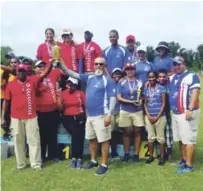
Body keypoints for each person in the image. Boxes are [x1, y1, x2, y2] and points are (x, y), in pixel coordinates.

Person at [59, 57, 116, 176]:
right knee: (92, 138)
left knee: (104, 140)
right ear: (93, 65)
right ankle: (94, 160)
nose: (98, 66)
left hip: (101, 115)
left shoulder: (108, 80)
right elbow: (71, 73)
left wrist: (109, 114)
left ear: (105, 66)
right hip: (89, 115)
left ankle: (104, 164)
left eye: (101, 64)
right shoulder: (89, 77)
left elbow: (112, 98)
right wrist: (61, 63)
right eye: (96, 64)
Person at [1, 61, 52, 170]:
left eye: (23, 71)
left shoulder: (32, 80)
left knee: (34, 140)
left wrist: (51, 63)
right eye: (19, 71)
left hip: (31, 117)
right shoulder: (11, 84)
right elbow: (6, 101)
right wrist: (2, 118)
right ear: (16, 72)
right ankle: (21, 164)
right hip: (15, 118)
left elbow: (44, 74)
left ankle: (36, 164)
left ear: (26, 72)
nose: (21, 73)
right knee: (18, 141)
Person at [169, 56, 200, 174]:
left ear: (184, 64)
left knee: (189, 139)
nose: (176, 66)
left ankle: (189, 165)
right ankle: (184, 159)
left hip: (187, 112)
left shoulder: (191, 75)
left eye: (178, 64)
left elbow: (195, 92)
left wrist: (190, 108)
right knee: (181, 138)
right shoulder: (173, 77)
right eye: (174, 64)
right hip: (176, 113)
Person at [35, 60, 62, 165]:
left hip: (53, 110)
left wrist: (57, 57)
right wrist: (50, 62)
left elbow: (61, 70)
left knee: (52, 134)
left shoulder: (52, 75)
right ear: (35, 68)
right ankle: (41, 157)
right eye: (39, 66)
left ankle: (52, 155)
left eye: (43, 65)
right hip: (41, 112)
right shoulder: (34, 79)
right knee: (42, 135)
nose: (42, 67)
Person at [117, 63, 144, 162]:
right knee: (126, 133)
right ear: (125, 70)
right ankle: (126, 154)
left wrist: (142, 99)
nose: (130, 71)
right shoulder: (122, 82)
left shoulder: (140, 82)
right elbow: (119, 97)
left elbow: (143, 95)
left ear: (135, 70)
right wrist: (131, 102)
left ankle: (136, 155)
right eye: (128, 69)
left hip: (137, 110)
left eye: (132, 69)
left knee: (137, 132)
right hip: (125, 110)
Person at [61, 77, 86, 169]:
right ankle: (76, 157)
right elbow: (60, 108)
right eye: (67, 84)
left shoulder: (80, 93)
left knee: (80, 134)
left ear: (75, 85)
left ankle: (77, 158)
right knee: (76, 134)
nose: (69, 86)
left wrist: (85, 116)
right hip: (67, 117)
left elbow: (85, 105)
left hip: (80, 115)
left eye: (71, 84)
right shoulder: (62, 93)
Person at [143, 71, 167, 165]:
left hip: (160, 116)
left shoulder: (162, 88)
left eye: (153, 77)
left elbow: (164, 103)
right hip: (149, 116)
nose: (151, 79)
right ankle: (151, 156)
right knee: (150, 137)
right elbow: (145, 103)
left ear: (156, 78)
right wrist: (148, 115)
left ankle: (161, 157)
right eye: (150, 77)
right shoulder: (146, 89)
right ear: (147, 78)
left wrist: (157, 116)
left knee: (160, 138)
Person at [158, 69, 173, 161]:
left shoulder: (170, 86)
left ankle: (170, 155)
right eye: (160, 76)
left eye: (164, 76)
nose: (162, 78)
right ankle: (160, 153)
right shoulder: (153, 85)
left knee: (168, 134)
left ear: (167, 77)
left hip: (166, 113)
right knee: (160, 134)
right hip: (156, 113)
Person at [110, 68, 123, 159]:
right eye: (115, 74)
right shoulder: (109, 84)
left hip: (121, 110)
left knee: (121, 131)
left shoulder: (123, 84)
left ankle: (122, 151)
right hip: (111, 111)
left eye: (119, 74)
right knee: (111, 132)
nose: (117, 76)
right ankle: (113, 152)